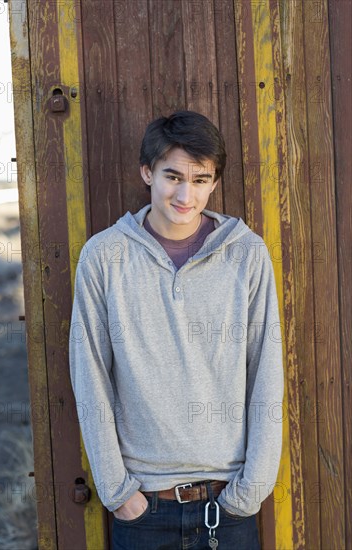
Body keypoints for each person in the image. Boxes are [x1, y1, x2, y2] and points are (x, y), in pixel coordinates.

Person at [69, 111, 284, 549]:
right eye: (173, 177)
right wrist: (119, 494)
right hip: (144, 509)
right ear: (147, 172)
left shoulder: (246, 254)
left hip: (227, 505)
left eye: (201, 180)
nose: (187, 194)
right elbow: (89, 377)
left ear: (214, 182)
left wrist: (251, 491)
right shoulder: (104, 257)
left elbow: (266, 370)